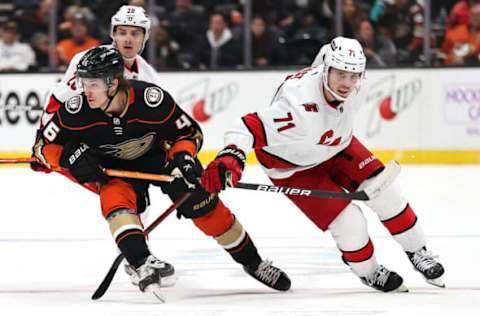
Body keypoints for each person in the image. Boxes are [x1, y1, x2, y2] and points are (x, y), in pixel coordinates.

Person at [32, 46, 291, 298]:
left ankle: (254, 263)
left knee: (204, 207)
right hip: (113, 168)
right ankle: (142, 262)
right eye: (84, 83)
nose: (85, 91)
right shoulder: (75, 110)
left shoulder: (151, 100)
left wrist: (184, 158)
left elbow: (189, 133)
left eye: (93, 84)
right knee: (115, 203)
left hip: (160, 161)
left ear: (113, 83)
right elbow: (42, 147)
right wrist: (69, 157)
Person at [201, 36, 445, 293]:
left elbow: (327, 50)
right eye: (341, 75)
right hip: (294, 168)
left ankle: (418, 251)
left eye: (353, 76)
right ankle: (370, 272)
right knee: (350, 224)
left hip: (339, 146)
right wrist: (230, 157)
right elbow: (246, 127)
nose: (347, 84)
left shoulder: (351, 78)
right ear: (327, 69)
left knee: (387, 192)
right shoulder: (298, 108)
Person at [33, 5, 176, 284]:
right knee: (123, 195)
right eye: (121, 32)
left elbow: (161, 126)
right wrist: (45, 145)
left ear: (145, 38)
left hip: (114, 149)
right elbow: (60, 103)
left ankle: (138, 257)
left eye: (135, 33)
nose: (127, 39)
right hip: (80, 147)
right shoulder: (90, 60)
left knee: (137, 200)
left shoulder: (148, 77)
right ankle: (139, 261)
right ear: (112, 33)